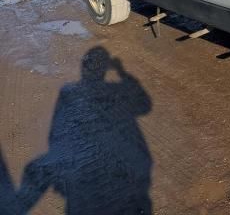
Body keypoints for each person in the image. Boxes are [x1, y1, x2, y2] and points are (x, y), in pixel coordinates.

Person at [16, 46, 152, 214]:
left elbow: (57, 132)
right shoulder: (113, 90)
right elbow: (144, 105)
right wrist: (122, 71)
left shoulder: (69, 91)